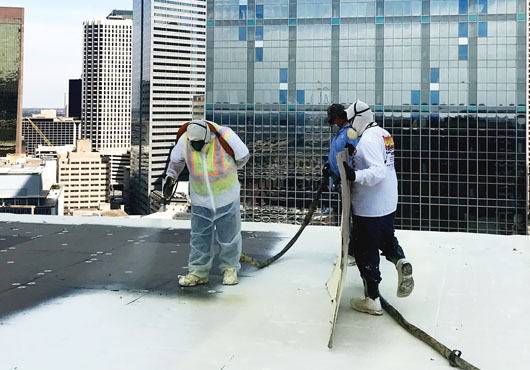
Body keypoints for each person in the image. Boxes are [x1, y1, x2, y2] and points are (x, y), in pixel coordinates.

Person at [341, 100, 414, 316]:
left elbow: (377, 171)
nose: (349, 126)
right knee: (386, 238)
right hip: (387, 201)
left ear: (359, 118)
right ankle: (401, 260)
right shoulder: (383, 133)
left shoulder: (369, 139)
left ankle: (372, 299)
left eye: (350, 121)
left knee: (366, 251)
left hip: (370, 205)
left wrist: (354, 175)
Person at [163, 119, 250, 287]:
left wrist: (229, 170)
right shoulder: (185, 139)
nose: (196, 147)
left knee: (229, 236)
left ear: (208, 137)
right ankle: (198, 272)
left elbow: (243, 156)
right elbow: (176, 161)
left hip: (226, 195)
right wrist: (171, 176)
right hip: (200, 197)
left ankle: (230, 269)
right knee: (199, 237)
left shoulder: (225, 136)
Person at [324, 104, 360, 266]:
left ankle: (351, 253)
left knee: (347, 218)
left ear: (339, 118)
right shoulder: (340, 133)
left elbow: (354, 156)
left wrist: (344, 176)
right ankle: (347, 250)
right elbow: (336, 154)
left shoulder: (350, 133)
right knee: (343, 216)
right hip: (338, 180)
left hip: (346, 182)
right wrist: (328, 166)